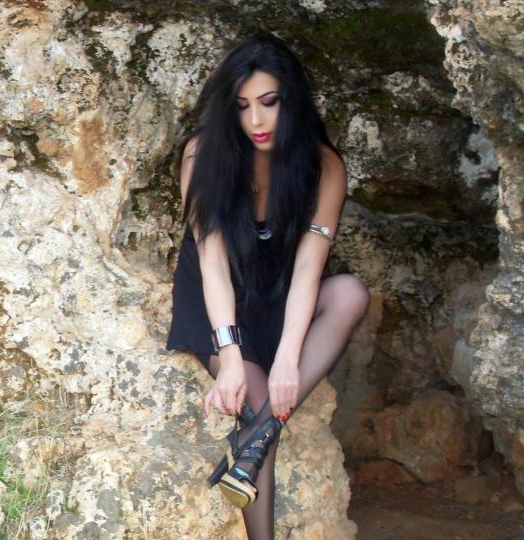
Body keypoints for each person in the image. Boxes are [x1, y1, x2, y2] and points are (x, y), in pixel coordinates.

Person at [165, 30, 369, 539]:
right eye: (242, 106)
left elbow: (308, 269)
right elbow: (212, 262)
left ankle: (249, 444)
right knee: (258, 407)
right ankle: (257, 446)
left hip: (277, 296)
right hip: (217, 302)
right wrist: (230, 356)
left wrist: (288, 360)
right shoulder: (203, 154)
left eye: (269, 102)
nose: (255, 120)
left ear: (292, 100)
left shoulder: (323, 166)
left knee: (350, 294)